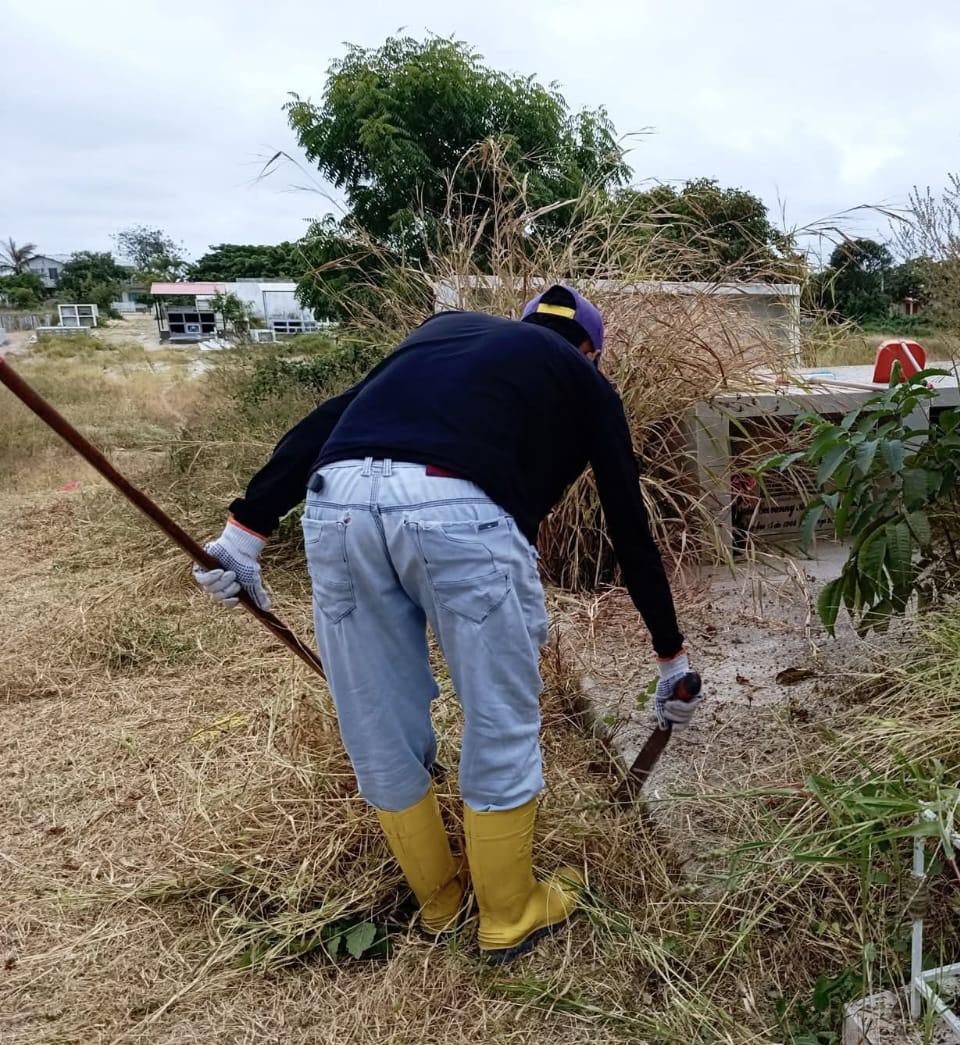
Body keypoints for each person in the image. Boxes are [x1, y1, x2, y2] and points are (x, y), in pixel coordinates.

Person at [192, 286, 703, 963]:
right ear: (591, 352)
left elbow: (325, 421)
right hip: (458, 511)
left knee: (375, 716)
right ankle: (509, 914)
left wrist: (244, 534)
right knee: (499, 714)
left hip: (335, 502)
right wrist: (672, 659)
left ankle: (439, 903)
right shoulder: (583, 378)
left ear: (519, 325)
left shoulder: (443, 334)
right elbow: (629, 528)